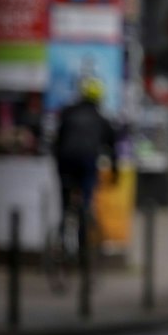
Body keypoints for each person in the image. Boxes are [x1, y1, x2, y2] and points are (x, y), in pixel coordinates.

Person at [52, 78, 117, 236]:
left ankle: (62, 228)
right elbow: (112, 147)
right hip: (87, 160)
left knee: (65, 195)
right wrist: (115, 171)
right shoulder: (101, 120)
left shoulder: (67, 113)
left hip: (65, 160)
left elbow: (57, 139)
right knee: (87, 193)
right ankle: (85, 222)